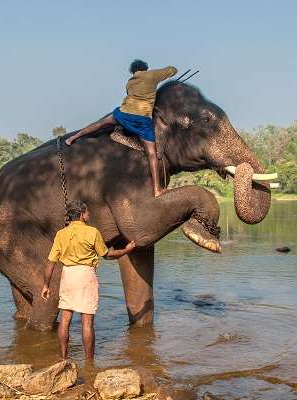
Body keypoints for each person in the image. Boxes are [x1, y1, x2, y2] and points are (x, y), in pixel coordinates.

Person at [65, 59, 177, 197]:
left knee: (99, 124)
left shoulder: (130, 83)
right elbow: (173, 70)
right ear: (145, 68)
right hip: (142, 120)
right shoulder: (152, 75)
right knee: (152, 154)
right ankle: (157, 189)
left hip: (123, 114)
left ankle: (73, 138)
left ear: (132, 71)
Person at [41, 200, 136, 360]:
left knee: (65, 320)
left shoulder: (61, 234)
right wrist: (126, 250)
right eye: (87, 212)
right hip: (85, 275)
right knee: (87, 321)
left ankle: (63, 358)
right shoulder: (92, 232)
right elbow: (107, 255)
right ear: (81, 215)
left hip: (68, 275)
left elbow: (51, 262)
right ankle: (89, 362)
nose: (89, 215)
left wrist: (46, 285)